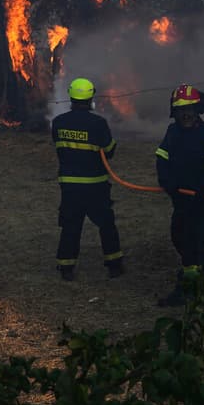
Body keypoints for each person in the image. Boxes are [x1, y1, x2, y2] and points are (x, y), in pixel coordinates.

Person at [155, 83, 204, 306]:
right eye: (181, 109)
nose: (186, 114)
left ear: (198, 110)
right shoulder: (172, 133)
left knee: (193, 242)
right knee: (178, 236)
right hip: (182, 199)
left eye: (190, 108)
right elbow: (162, 157)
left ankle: (193, 288)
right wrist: (166, 180)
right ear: (175, 112)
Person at [53, 77, 124, 281]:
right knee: (106, 224)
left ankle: (66, 267)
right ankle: (114, 265)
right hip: (95, 185)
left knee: (70, 226)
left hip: (70, 186)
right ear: (91, 97)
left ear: (71, 97)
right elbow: (109, 151)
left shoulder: (58, 123)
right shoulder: (98, 123)